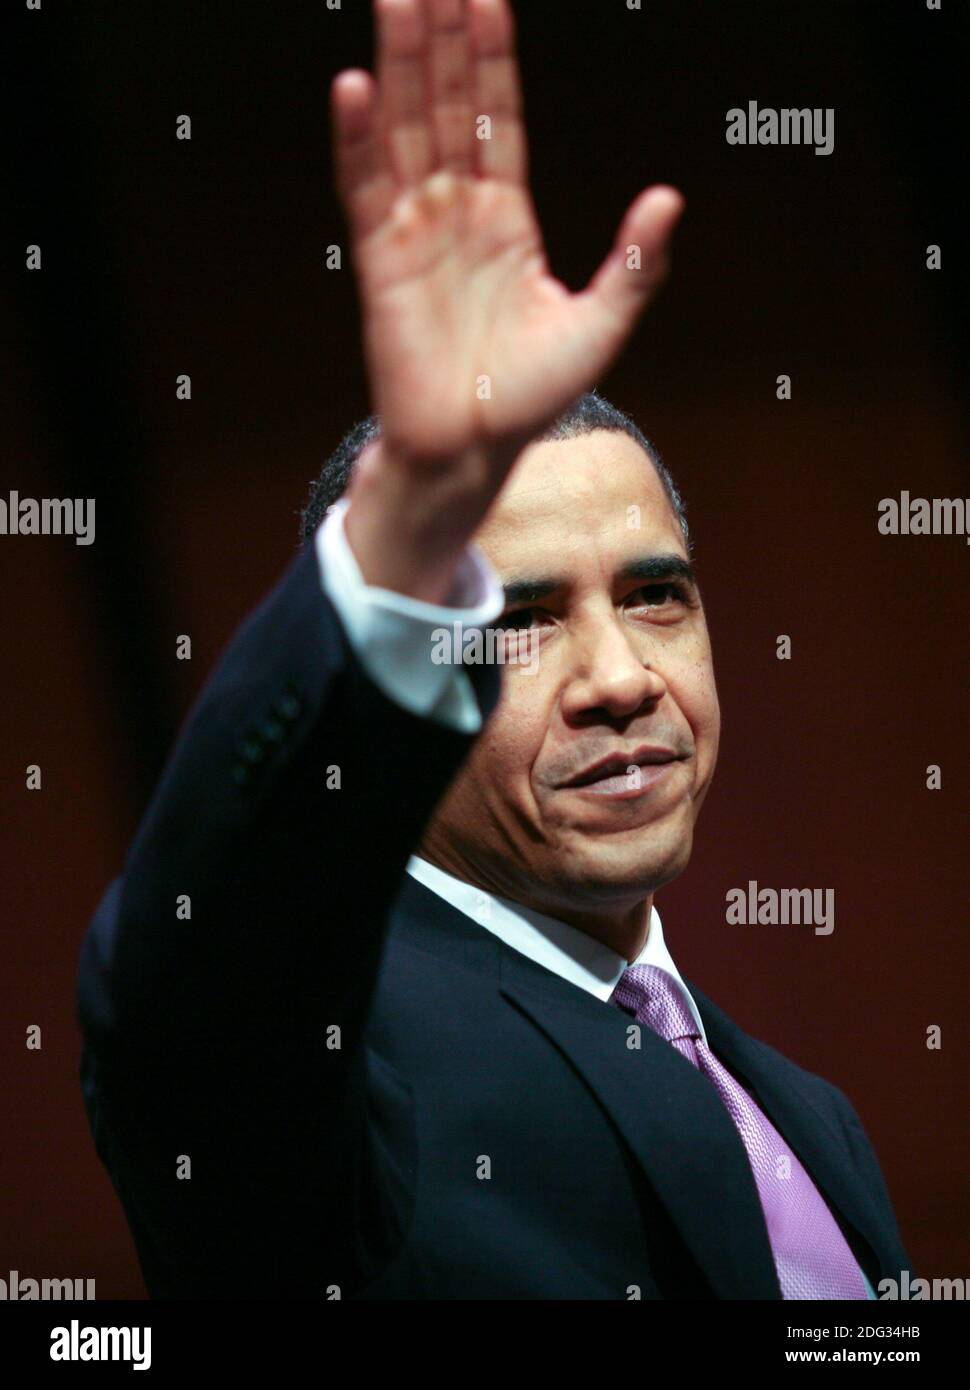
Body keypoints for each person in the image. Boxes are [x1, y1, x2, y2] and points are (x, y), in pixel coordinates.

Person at [77, 0, 912, 1299]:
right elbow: (200, 983)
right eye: (516, 620)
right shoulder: (340, 1068)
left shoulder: (814, 1118)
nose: (620, 676)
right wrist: (411, 518)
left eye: (653, 597)